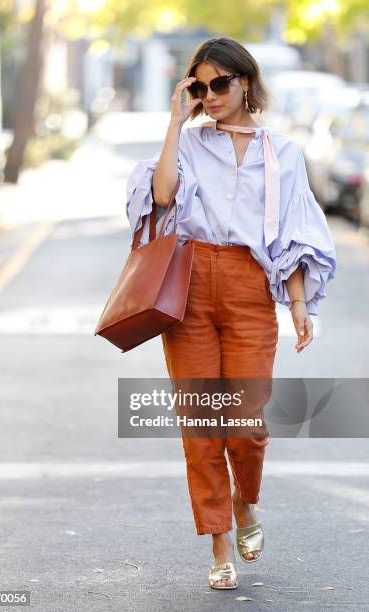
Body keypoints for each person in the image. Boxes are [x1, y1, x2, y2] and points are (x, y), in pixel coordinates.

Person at [125, 37, 337, 590]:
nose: (212, 95)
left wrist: (296, 303)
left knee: (247, 424)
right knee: (201, 426)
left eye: (222, 83)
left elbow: (292, 231)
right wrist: (176, 121)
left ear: (246, 82)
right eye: (201, 86)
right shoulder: (191, 145)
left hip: (248, 288)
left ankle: (245, 502)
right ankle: (219, 541)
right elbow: (164, 194)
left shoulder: (282, 152)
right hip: (190, 287)